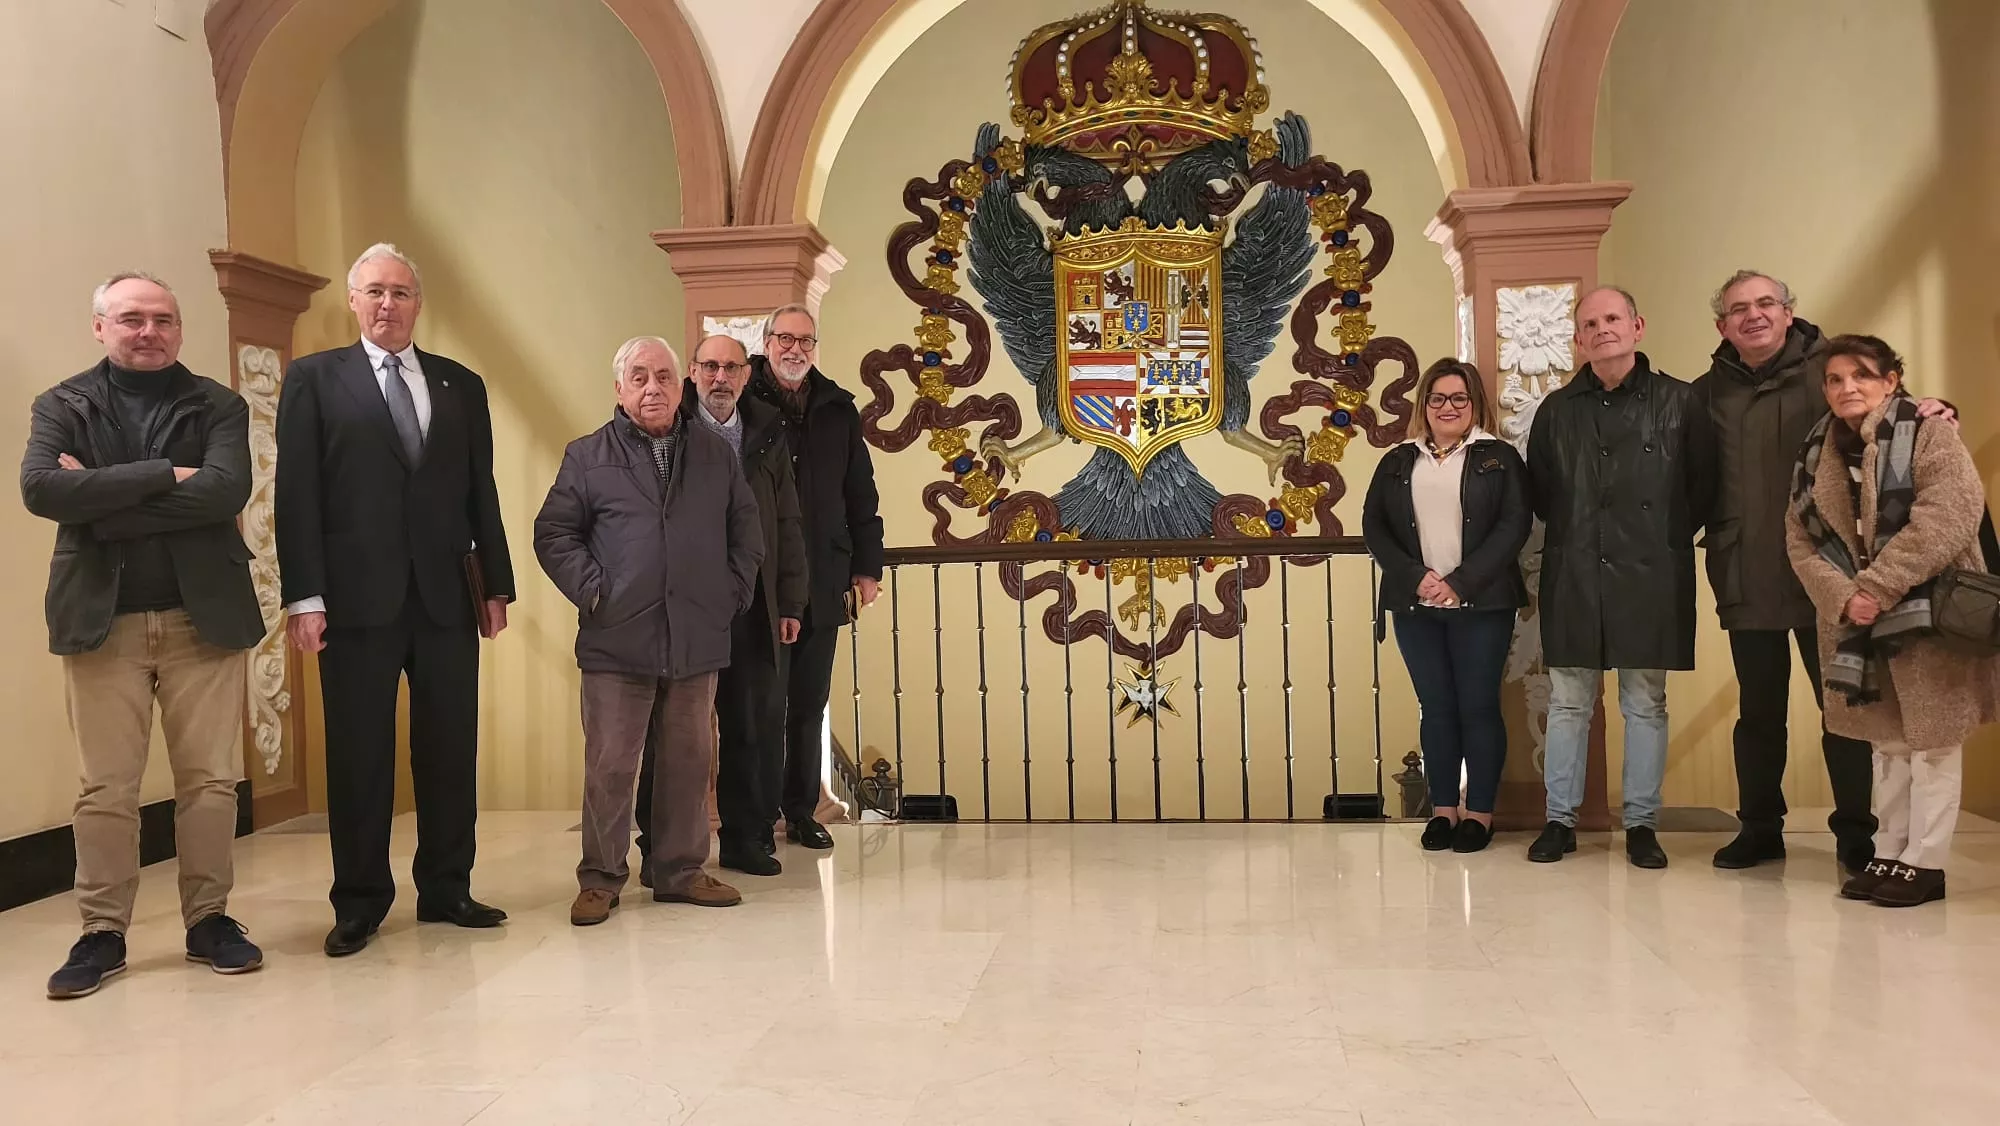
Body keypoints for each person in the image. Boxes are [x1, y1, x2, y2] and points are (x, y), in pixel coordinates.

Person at [21, 273, 266, 998]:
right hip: (102, 623)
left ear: (180, 329)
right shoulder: (62, 404)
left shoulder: (217, 403)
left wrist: (100, 498)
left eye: (164, 318)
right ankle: (102, 932)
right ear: (100, 326)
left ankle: (210, 922)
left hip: (205, 620)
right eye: (132, 318)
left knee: (210, 784)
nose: (149, 330)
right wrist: (166, 475)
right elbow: (41, 488)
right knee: (106, 790)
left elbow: (224, 491)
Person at [275, 243, 515, 957]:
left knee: (448, 750)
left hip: (445, 599)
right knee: (359, 756)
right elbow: (297, 499)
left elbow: (482, 491)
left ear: (418, 303)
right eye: (375, 291)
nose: (388, 304)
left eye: (401, 293)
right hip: (352, 604)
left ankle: (448, 887)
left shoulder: (460, 384)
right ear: (352, 301)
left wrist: (495, 584)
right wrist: (303, 597)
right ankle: (360, 902)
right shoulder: (315, 380)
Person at [1697, 271, 1955, 874]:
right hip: (1746, 573)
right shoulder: (1703, 393)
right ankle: (1759, 829)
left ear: (1789, 313)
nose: (1753, 316)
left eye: (1766, 304)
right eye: (1738, 309)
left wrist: (1941, 408)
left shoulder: (1832, 370)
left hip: (1834, 577)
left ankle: (1856, 835)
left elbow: (1896, 421)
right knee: (1758, 715)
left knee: (1845, 711)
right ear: (1722, 326)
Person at [535, 337, 763, 926]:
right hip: (617, 639)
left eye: (663, 376)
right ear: (619, 388)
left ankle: (680, 870)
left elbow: (747, 533)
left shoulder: (715, 456)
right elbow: (554, 534)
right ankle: (601, 877)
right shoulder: (587, 456)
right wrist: (595, 589)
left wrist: (729, 596)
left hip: (696, 636)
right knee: (611, 765)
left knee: (689, 760)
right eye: (639, 377)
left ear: (681, 385)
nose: (653, 388)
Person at [1786, 335, 1999, 907]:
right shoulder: (1816, 451)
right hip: (1859, 619)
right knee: (1889, 744)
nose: (1846, 387)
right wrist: (1843, 596)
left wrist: (1877, 588)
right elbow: (1800, 539)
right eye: (1834, 379)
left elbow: (1948, 517)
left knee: (1932, 743)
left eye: (1861, 375)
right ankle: (1891, 851)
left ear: (1892, 379)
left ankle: (1925, 864)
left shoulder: (1931, 431)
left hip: (1927, 613)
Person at [1526, 286, 1716, 869]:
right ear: (1579, 339)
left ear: (1638, 326)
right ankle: (1559, 820)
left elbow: (1703, 488)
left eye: (1613, 318)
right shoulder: (1556, 411)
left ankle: (1640, 824)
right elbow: (1541, 492)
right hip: (1575, 569)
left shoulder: (1682, 402)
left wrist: (1658, 539)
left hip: (1651, 571)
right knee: (1568, 702)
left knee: (1645, 702)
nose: (1602, 328)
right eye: (1590, 322)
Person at [635, 334, 807, 880]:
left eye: (731, 368)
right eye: (709, 366)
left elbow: (786, 519)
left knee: (750, 724)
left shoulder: (766, 430)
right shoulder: (666, 422)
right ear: (692, 372)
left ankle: (746, 836)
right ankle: (656, 845)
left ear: (746, 375)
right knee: (671, 731)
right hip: (680, 604)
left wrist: (791, 599)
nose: (720, 378)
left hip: (750, 600)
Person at [1363, 359, 1531, 854]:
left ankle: (1478, 813)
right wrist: (1417, 579)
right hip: (1414, 605)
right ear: (1424, 406)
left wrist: (1460, 582)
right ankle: (1442, 810)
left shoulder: (1498, 458)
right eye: (1438, 398)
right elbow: (1376, 528)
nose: (1448, 407)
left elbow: (1513, 526)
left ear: (1474, 404)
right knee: (1435, 708)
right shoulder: (1397, 460)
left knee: (1477, 706)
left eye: (1459, 398)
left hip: (1481, 605)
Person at [743, 305, 884, 849]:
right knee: (759, 704)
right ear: (767, 341)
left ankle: (800, 811)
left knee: (807, 703)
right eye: (785, 338)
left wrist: (867, 566)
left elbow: (861, 495)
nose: (795, 348)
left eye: (805, 340)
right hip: (759, 580)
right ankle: (754, 818)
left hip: (823, 580)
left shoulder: (838, 409)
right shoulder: (743, 403)